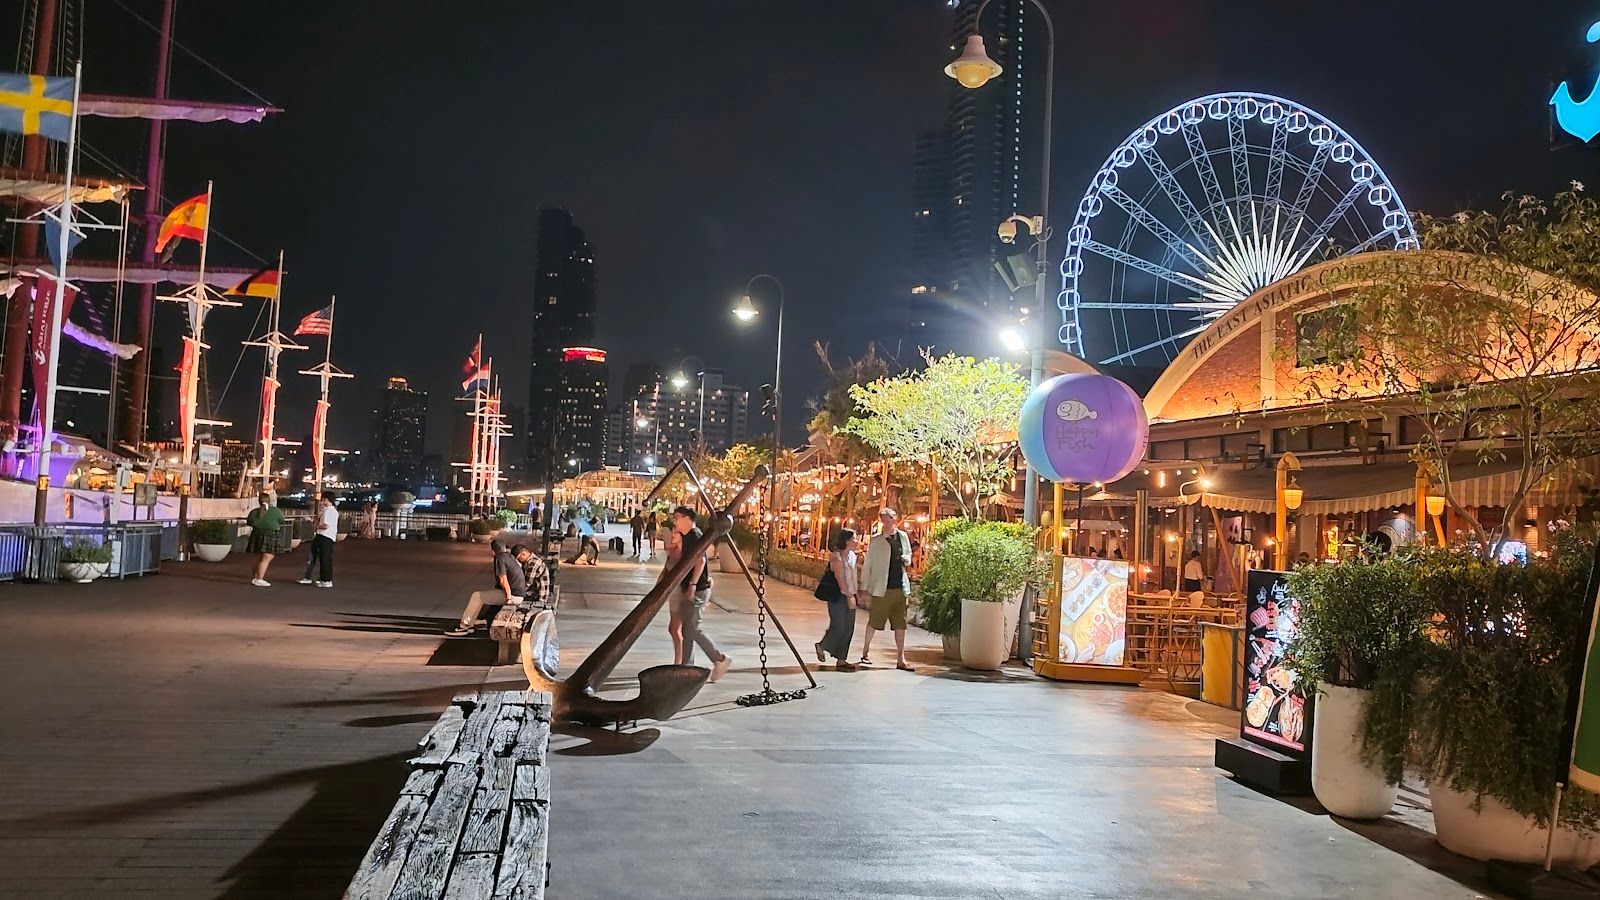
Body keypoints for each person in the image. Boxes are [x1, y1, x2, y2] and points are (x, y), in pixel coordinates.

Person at [667, 505, 732, 681]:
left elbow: (700, 560)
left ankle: (720, 658)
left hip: (698, 589)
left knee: (692, 628)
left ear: (687, 519)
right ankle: (687, 668)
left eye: (677, 517)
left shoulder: (695, 536)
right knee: (688, 630)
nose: (675, 521)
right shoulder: (687, 536)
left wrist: (693, 584)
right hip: (690, 588)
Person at [860, 508, 914, 672]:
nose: (886, 521)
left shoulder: (902, 537)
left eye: (889, 518)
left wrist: (906, 559)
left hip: (900, 587)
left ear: (894, 519)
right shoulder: (877, 540)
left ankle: (901, 658)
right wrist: (864, 586)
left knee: (900, 624)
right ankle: (865, 652)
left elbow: (908, 554)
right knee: (874, 621)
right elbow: (868, 563)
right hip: (881, 588)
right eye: (883, 519)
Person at [445, 540, 527, 636]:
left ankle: (464, 625)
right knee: (490, 594)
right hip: (520, 594)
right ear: (505, 548)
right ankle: (479, 620)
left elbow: (503, 580)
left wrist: (508, 599)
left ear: (493, 551)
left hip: (514, 596)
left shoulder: (500, 558)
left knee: (477, 596)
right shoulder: (510, 557)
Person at [815, 527, 860, 670]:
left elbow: (853, 576)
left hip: (851, 593)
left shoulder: (852, 556)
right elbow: (840, 578)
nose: (857, 541)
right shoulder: (836, 557)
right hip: (838, 595)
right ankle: (822, 645)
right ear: (847, 541)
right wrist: (848, 596)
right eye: (854, 539)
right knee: (839, 625)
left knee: (849, 627)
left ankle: (842, 658)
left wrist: (855, 593)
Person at [246, 491, 285, 587]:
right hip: (271, 534)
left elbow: (249, 522)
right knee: (267, 557)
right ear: (269, 500)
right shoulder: (276, 511)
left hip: (256, 534)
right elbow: (282, 520)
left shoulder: (254, 512)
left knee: (259, 557)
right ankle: (259, 579)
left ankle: (255, 577)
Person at [299, 496, 339, 588]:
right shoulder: (333, 511)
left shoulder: (328, 511)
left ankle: (325, 580)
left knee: (323, 559)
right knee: (325, 559)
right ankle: (325, 579)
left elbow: (325, 526)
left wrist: (315, 526)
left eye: (323, 500)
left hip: (324, 536)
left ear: (327, 500)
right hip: (329, 537)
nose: (321, 502)